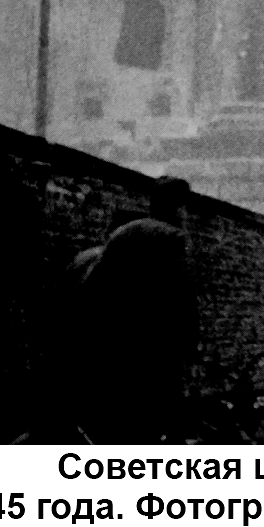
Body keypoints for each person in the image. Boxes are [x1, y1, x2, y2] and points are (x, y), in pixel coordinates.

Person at [79, 176, 199, 443]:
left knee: (118, 420)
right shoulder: (174, 238)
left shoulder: (122, 233)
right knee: (162, 419)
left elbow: (93, 287)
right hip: (155, 350)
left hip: (113, 346)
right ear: (179, 208)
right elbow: (184, 298)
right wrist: (190, 344)